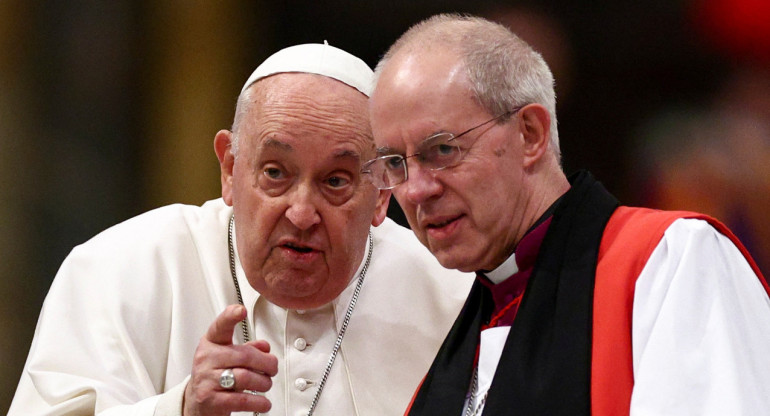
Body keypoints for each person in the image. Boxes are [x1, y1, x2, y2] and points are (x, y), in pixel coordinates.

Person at [9, 42, 472, 416]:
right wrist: (182, 409)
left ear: (382, 195)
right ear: (230, 169)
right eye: (275, 173)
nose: (302, 213)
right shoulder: (117, 269)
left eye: (335, 182)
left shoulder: (453, 299)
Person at [365, 14, 770, 415]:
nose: (416, 190)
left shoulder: (671, 262)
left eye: (443, 150)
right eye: (395, 163)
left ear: (530, 134)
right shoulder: (447, 343)